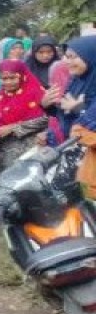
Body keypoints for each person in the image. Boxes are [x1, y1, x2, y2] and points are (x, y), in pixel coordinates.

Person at [51, 36, 96, 197]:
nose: (67, 61)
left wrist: (80, 110)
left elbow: (82, 128)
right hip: (81, 163)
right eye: (66, 57)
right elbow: (66, 123)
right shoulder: (77, 82)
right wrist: (47, 105)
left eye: (73, 57)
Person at [0, 60, 49, 177]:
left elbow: (46, 119)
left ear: (23, 76)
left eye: (13, 78)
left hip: (29, 149)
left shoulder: (36, 93)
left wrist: (13, 127)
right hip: (3, 151)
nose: (8, 82)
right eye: (4, 79)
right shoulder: (0, 96)